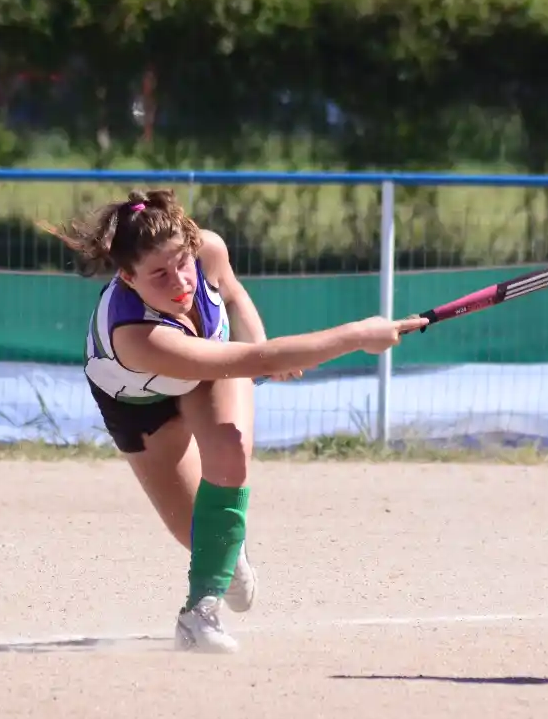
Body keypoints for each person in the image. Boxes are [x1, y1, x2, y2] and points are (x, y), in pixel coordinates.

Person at [42, 188, 421, 654]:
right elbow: (249, 359)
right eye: (158, 274)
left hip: (211, 364)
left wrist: (260, 347)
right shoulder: (136, 336)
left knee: (229, 452)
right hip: (141, 404)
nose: (179, 281)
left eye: (181, 262)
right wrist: (358, 335)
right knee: (196, 533)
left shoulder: (208, 250)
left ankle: (198, 614)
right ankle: (228, 549)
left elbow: (235, 297)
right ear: (127, 276)